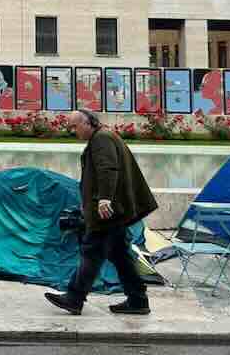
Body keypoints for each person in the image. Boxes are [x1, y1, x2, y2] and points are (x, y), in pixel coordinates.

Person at [45, 109, 159, 316]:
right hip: (114, 209)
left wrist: (104, 199)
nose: (73, 131)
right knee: (120, 255)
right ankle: (138, 300)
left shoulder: (102, 139)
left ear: (88, 123)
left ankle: (74, 298)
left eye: (75, 126)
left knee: (92, 250)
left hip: (109, 211)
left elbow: (108, 169)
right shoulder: (103, 137)